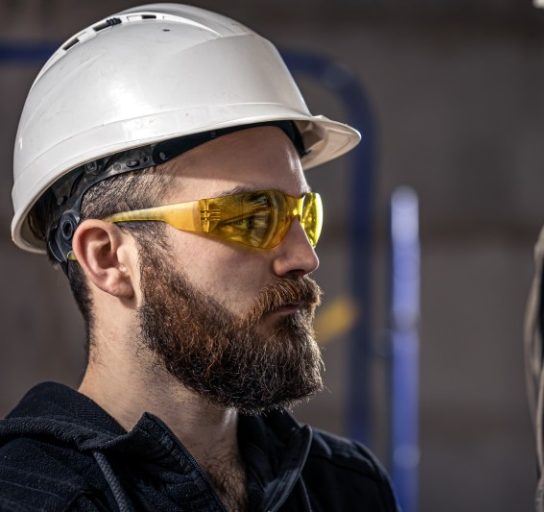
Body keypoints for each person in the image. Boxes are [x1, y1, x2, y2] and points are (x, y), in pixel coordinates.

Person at [0, 4, 398, 511]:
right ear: (108, 259)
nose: (303, 256)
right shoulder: (27, 498)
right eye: (251, 216)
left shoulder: (344, 488)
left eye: (304, 214)